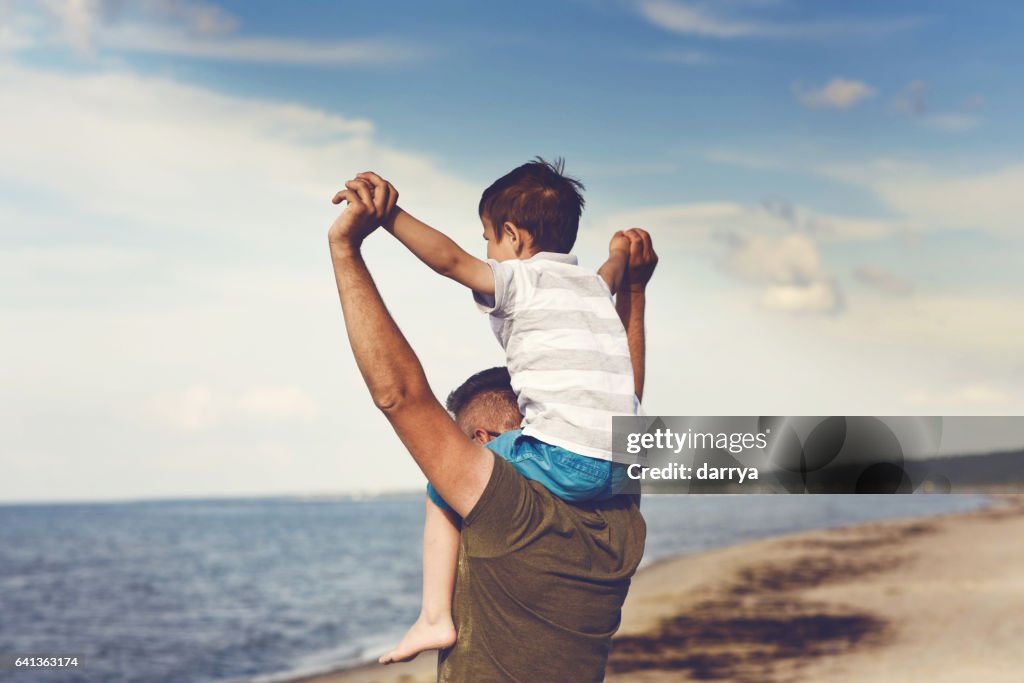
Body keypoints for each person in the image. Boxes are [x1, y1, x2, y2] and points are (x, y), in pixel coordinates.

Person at [328, 173, 658, 681]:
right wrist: (630, 281)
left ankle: (432, 616)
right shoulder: (623, 521)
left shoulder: (514, 515)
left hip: (561, 461)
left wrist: (378, 224)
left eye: (488, 238)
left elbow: (401, 394)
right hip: (613, 458)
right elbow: (620, 394)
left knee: (440, 487)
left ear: (513, 235)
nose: (485, 248)